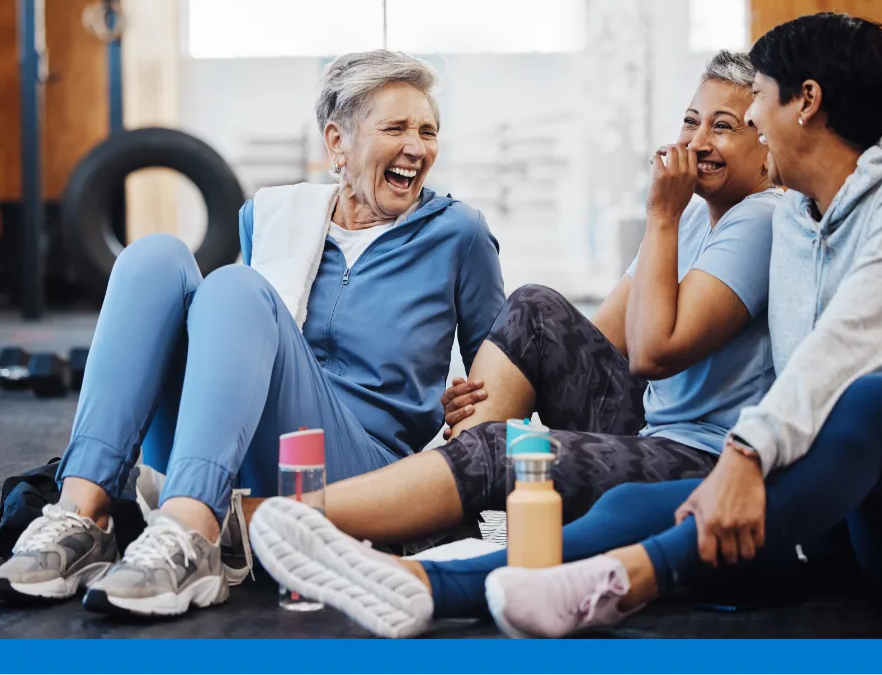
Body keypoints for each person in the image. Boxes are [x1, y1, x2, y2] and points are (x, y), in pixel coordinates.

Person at [247, 12, 882, 640]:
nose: (714, 135)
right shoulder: (803, 215)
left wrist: (743, 455)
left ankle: (299, 519)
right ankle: (431, 562)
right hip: (792, 471)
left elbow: (771, 355)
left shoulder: (881, 201)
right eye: (693, 119)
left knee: (868, 402)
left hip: (815, 462)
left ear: (805, 103)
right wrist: (499, 387)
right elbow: (599, 340)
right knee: (546, 344)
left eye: (746, 112)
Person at [0, 49, 507, 618]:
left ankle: (191, 533)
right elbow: (258, 351)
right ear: (337, 141)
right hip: (240, 447)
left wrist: (469, 413)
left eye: (428, 131)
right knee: (154, 256)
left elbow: (504, 377)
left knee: (235, 287)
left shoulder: (459, 233)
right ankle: (82, 516)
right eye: (397, 128)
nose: (417, 147)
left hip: (364, 469)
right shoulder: (270, 217)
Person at [236, 49, 784, 551]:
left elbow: (651, 354)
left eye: (725, 127)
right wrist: (483, 392)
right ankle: (447, 481)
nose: (697, 143)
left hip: (705, 452)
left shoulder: (756, 217)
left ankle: (275, 518)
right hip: (648, 424)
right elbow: (593, 343)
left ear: (766, 147)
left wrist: (660, 214)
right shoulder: (689, 217)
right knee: (536, 307)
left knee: (502, 452)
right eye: (691, 122)